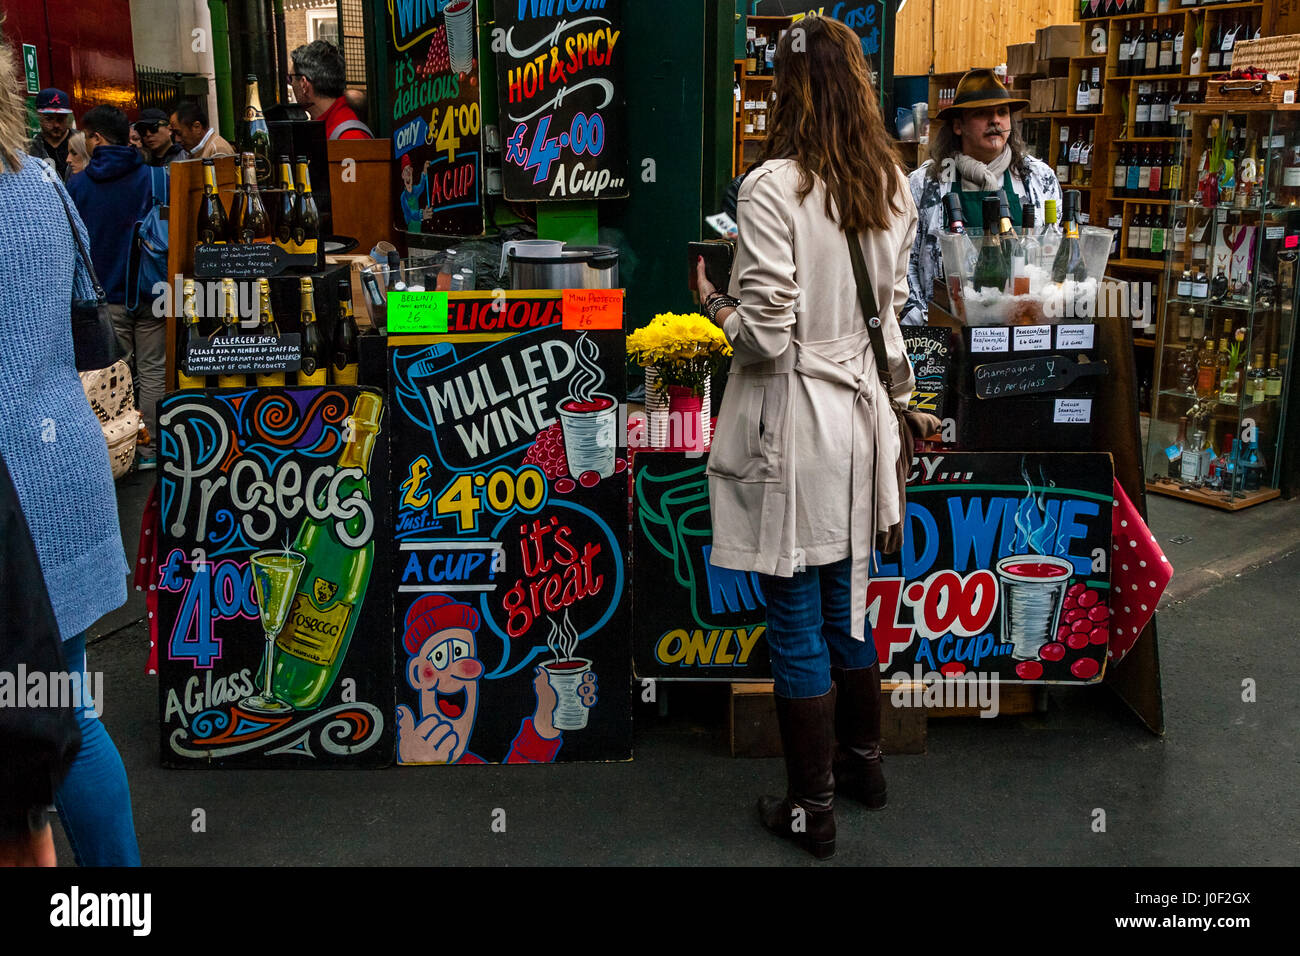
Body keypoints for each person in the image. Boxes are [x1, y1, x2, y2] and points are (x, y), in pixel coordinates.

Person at [695, 15, 916, 860]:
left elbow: (767, 338)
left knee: (794, 614)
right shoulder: (891, 184)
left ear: (785, 92)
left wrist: (713, 301)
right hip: (860, 425)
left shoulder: (769, 188)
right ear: (858, 85)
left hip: (795, 426)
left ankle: (809, 807)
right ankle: (864, 766)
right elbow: (887, 326)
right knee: (847, 599)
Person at [0, 42, 140, 865]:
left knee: (44, 726)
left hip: (17, 488)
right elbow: (89, 319)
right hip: (65, 461)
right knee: (66, 715)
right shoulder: (45, 180)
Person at [902, 68, 1060, 326]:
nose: (995, 121)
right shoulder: (926, 183)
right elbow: (906, 259)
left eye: (1002, 112)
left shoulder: (1038, 179)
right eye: (982, 114)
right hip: (947, 329)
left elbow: (1051, 251)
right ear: (957, 126)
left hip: (1021, 326)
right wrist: (921, 316)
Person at [66, 105, 161, 469]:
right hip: (153, 292)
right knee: (153, 371)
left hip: (103, 297)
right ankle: (150, 450)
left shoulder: (76, 186)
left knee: (112, 380)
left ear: (97, 138)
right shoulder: (156, 178)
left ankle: (117, 451)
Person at [290, 40, 374, 140]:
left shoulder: (349, 137)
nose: (291, 83)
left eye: (291, 78)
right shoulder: (327, 125)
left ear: (304, 84)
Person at [27, 87, 74, 181]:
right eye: (49, 119)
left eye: (61, 119)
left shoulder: (83, 143)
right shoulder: (29, 150)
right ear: (39, 117)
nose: (56, 125)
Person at [169, 99, 234, 159]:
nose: (176, 139)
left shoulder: (217, 151)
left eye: (179, 133)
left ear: (197, 127)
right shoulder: (199, 150)